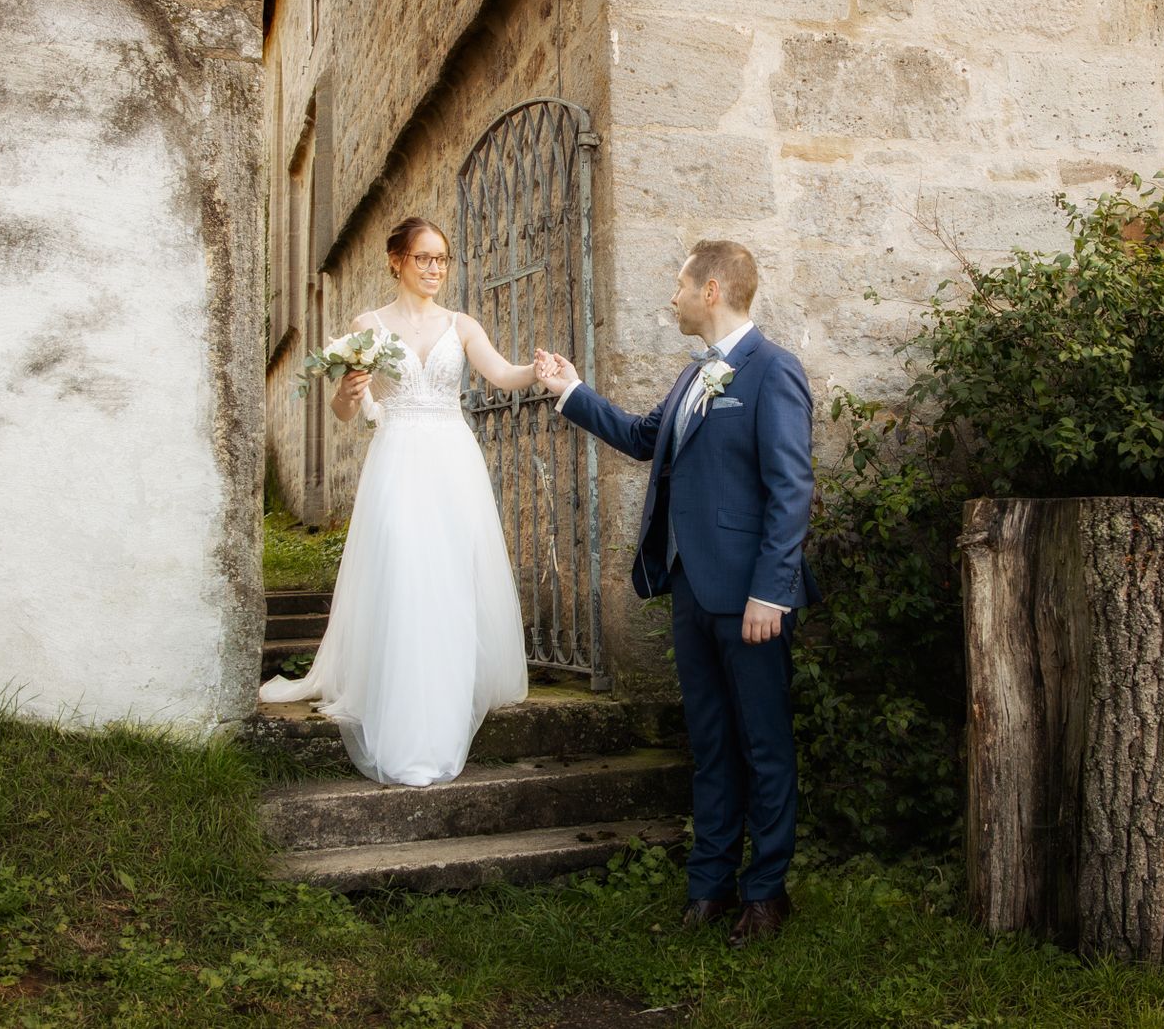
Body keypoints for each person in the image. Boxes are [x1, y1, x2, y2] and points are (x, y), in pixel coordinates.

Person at [535, 240, 818, 949]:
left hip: (752, 600)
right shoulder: (694, 378)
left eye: (680, 284)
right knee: (711, 742)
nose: (673, 297)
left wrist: (771, 592)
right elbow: (641, 438)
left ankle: (767, 891)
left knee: (764, 744)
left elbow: (791, 490)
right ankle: (710, 884)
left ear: (712, 289)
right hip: (690, 589)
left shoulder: (773, 371)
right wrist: (572, 391)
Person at [261, 216, 537, 787]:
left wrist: (540, 369)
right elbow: (344, 414)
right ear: (397, 261)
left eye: (442, 260)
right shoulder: (367, 327)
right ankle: (401, 701)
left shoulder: (461, 324)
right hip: (397, 459)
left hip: (452, 461)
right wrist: (345, 391)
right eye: (423, 259)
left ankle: (445, 690)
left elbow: (503, 373)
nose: (434, 270)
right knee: (403, 571)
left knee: (448, 575)